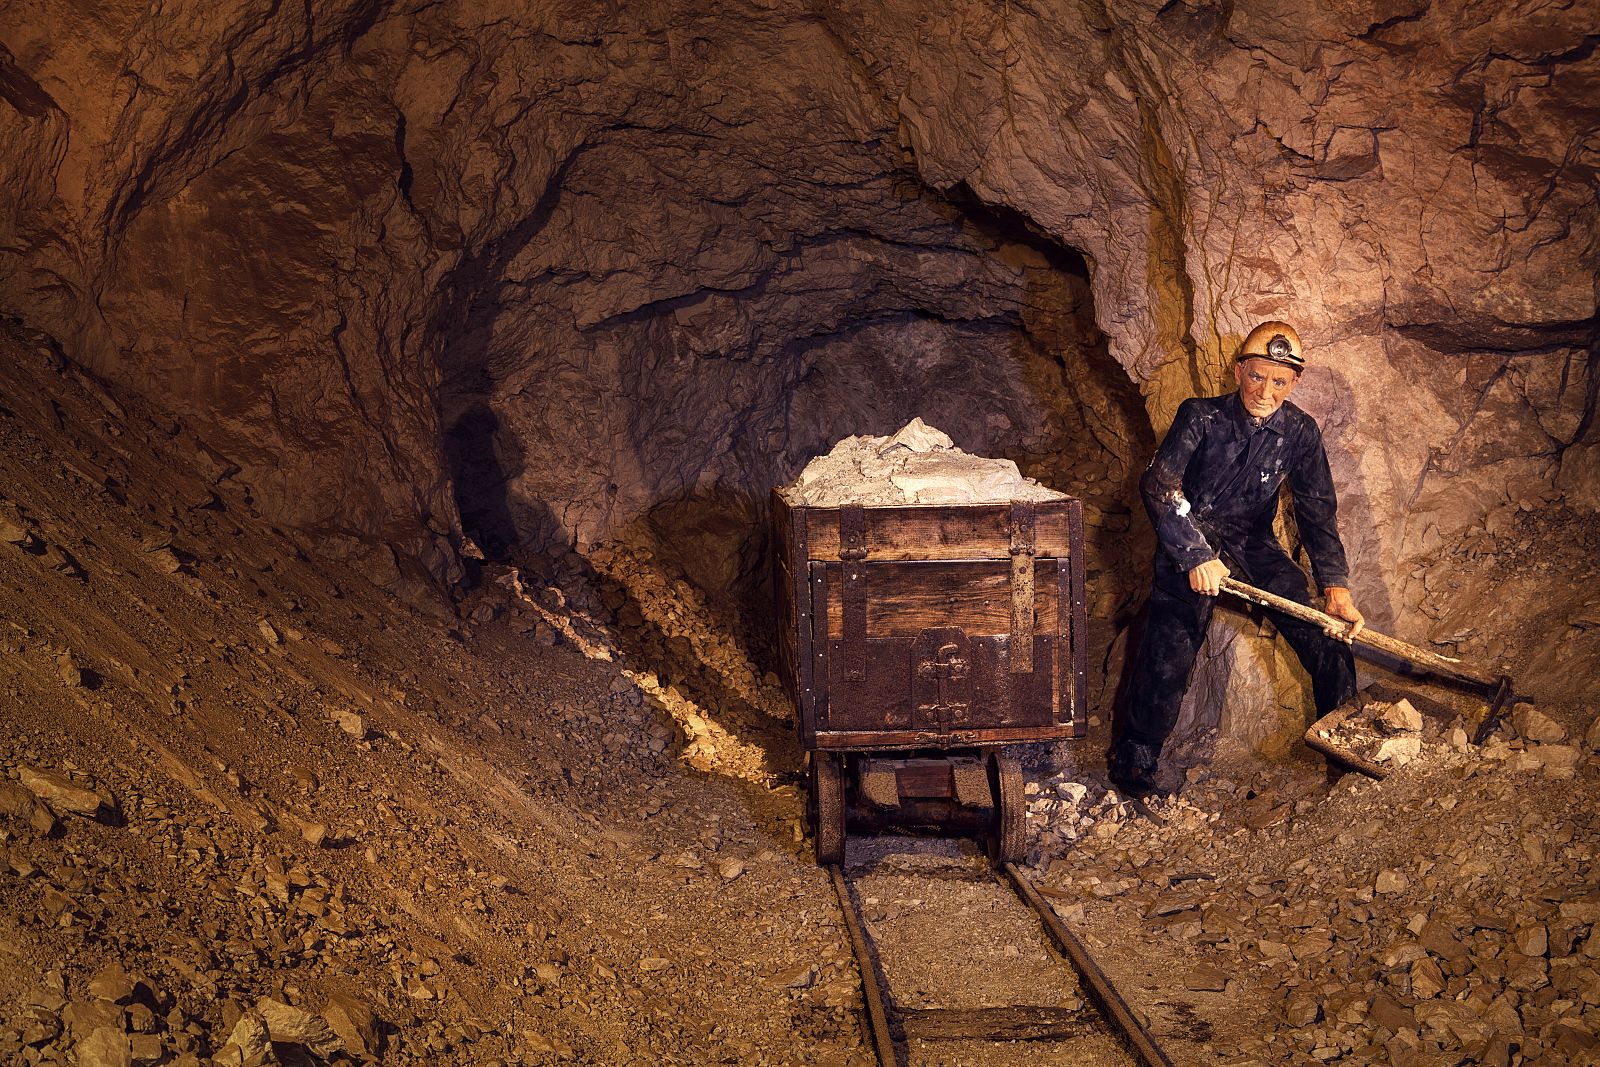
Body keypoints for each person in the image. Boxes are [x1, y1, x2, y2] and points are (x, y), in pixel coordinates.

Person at [1109, 321, 1366, 797]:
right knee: (1170, 648)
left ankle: (1346, 752)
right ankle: (1135, 760)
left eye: (1279, 381)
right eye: (1256, 376)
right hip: (1191, 537)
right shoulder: (1200, 417)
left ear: (1295, 384)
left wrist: (1336, 589)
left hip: (1253, 543)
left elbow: (1318, 514)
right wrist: (1193, 556)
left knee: (1326, 632)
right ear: (1238, 371)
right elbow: (1160, 485)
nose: (1265, 391)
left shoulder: (1300, 432)